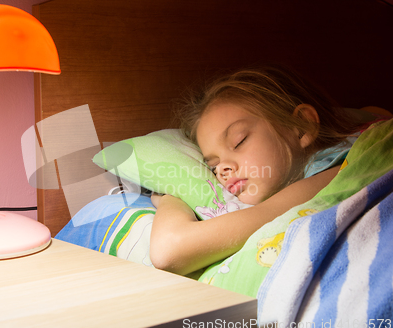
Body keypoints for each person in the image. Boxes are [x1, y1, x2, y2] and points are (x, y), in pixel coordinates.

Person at [149, 65, 367, 276]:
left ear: (301, 126)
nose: (223, 169)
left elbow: (169, 250)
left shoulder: (331, 173)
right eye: (213, 167)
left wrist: (171, 195)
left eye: (238, 141)